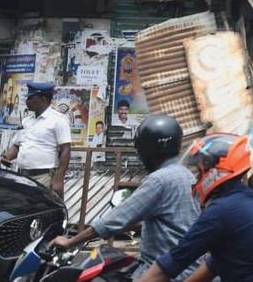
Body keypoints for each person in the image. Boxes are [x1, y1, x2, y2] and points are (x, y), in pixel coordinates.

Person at [51, 114, 201, 280]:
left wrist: (71, 241)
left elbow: (114, 220)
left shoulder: (159, 180)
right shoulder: (186, 175)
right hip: (188, 266)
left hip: (162, 271)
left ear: (148, 149)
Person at [138, 133, 253, 282]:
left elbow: (170, 265)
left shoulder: (221, 211)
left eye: (199, 172)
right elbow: (215, 265)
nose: (196, 178)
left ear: (215, 172)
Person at [0, 82, 71, 197]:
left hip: (43, 176)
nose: (27, 101)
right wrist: (7, 157)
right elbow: (18, 144)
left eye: (31, 98)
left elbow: (66, 150)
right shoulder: (27, 121)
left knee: (40, 209)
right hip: (23, 175)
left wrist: (59, 179)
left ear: (43, 99)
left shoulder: (58, 120)